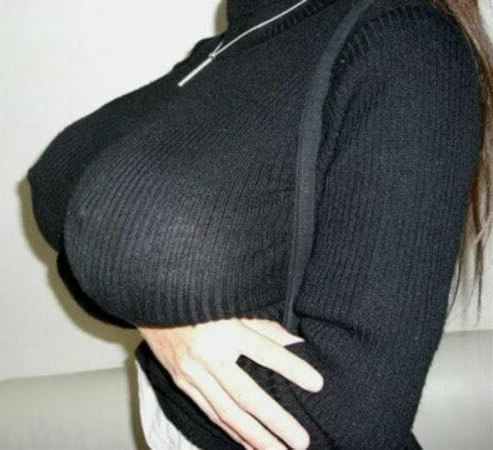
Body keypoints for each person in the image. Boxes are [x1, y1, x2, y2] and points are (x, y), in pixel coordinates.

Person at [27, 0, 492, 448]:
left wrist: (171, 327)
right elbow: (74, 219)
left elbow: (352, 420)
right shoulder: (240, 35)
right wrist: (159, 325)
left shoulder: (404, 41)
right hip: (170, 421)